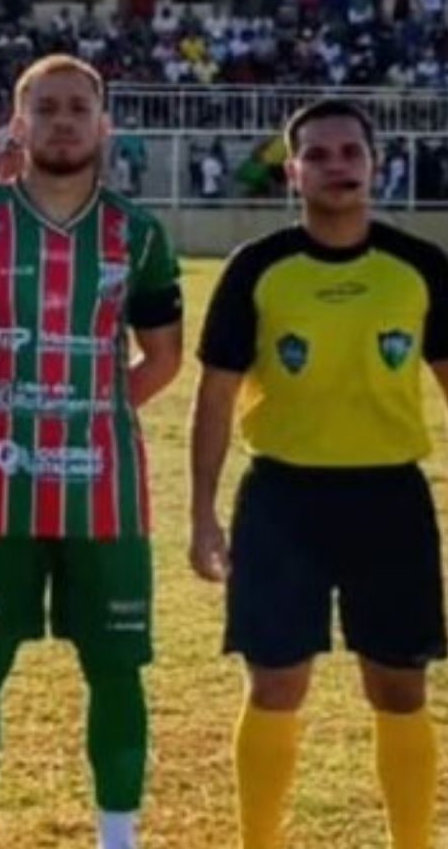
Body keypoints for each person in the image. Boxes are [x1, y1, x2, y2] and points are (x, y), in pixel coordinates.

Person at [0, 54, 184, 849]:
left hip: (105, 496)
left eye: (78, 107)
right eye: (46, 108)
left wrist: (91, 409)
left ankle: (118, 837)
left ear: (104, 124)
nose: (63, 121)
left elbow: (164, 356)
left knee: (116, 668)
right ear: (18, 123)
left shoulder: (138, 233)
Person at [190, 99, 448, 849]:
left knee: (400, 685)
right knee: (276, 682)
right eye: (320, 155)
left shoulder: (420, 268)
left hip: (391, 498)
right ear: (293, 172)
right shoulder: (257, 269)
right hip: (283, 500)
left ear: (376, 165)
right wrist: (202, 514)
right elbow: (215, 397)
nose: (339, 166)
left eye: (352, 152)